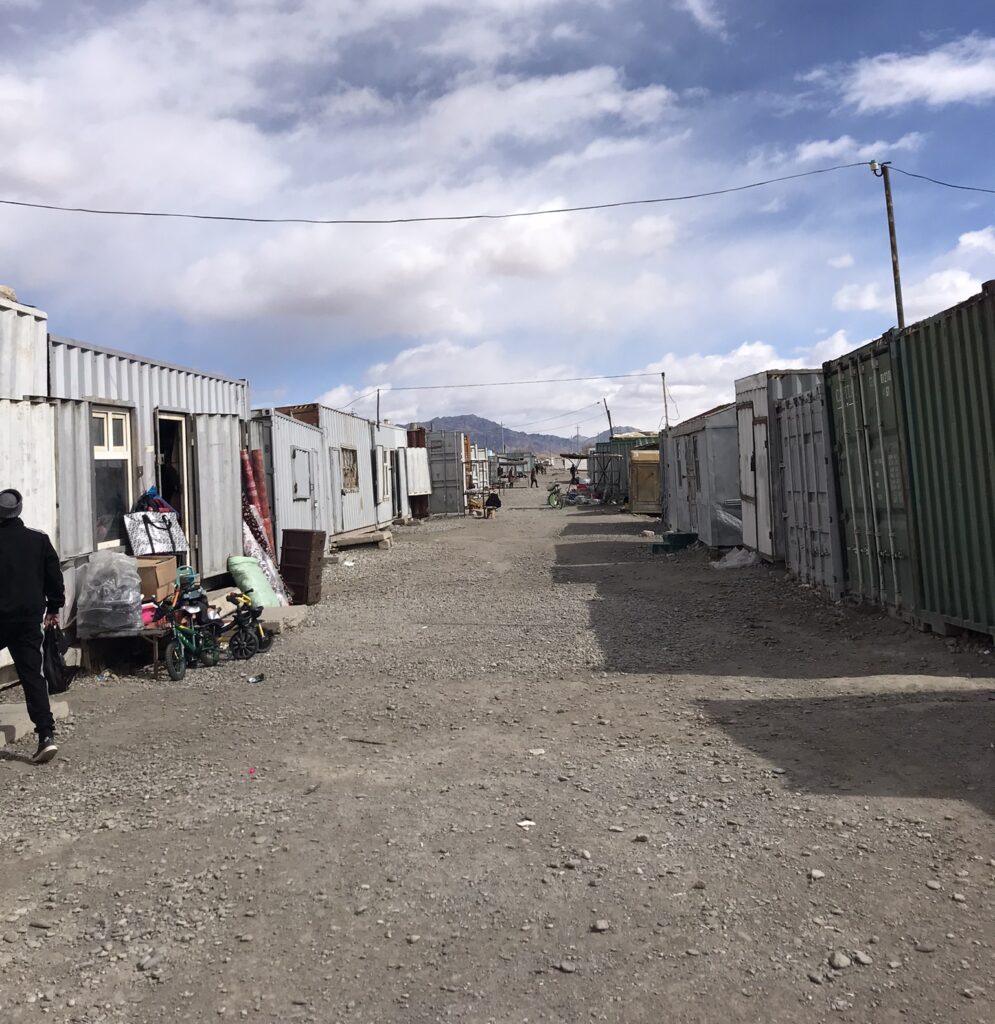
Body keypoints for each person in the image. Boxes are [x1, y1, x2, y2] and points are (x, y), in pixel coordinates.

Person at [0, 488, 64, 764]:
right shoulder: (38, 540)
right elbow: (54, 575)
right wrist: (54, 607)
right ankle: (46, 736)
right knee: (32, 677)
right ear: (20, 510)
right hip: (28, 620)